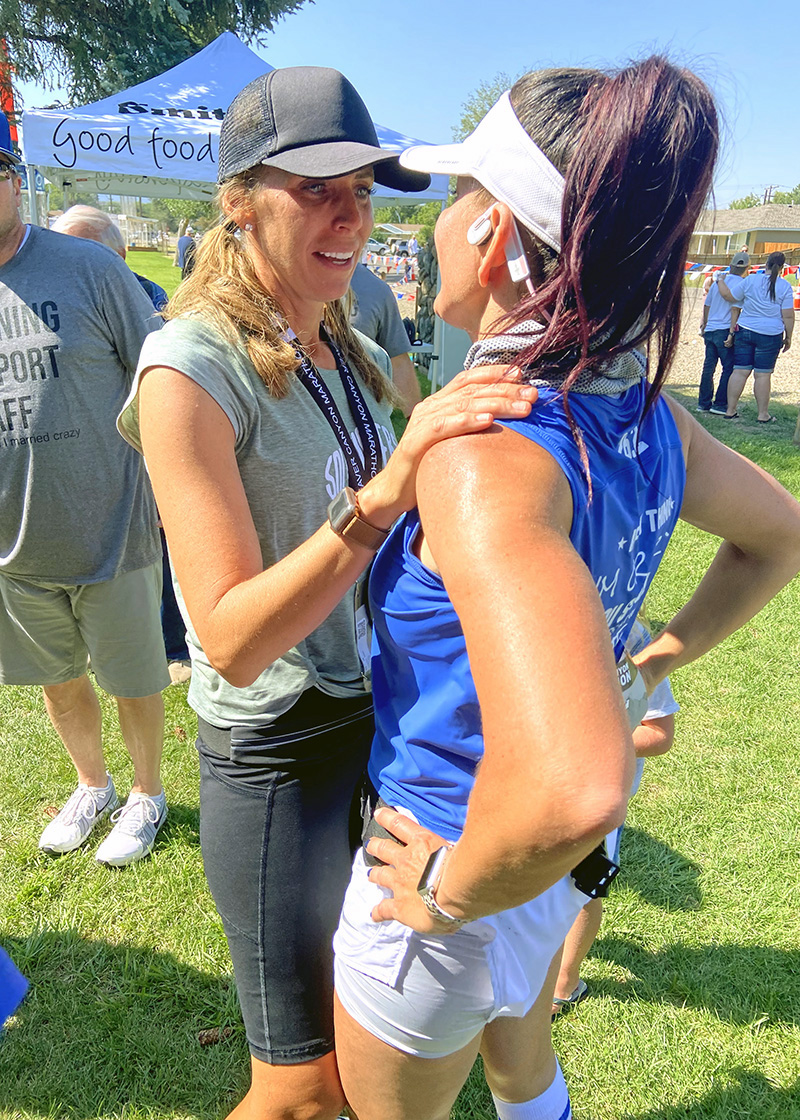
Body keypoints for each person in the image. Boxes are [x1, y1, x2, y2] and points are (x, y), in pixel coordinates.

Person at [330, 59, 800, 1120]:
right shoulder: (643, 417)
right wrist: (651, 661)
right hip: (540, 875)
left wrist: (441, 894)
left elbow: (576, 780)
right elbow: (778, 536)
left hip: (451, 861)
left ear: (492, 233)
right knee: (520, 1062)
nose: (434, 228)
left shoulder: (483, 452)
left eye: (453, 202)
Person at [117, 66, 538, 1120]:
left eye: (363, 187)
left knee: (364, 1062)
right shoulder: (187, 369)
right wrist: (386, 491)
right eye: (317, 189)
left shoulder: (338, 335)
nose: (352, 214)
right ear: (236, 199)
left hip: (371, 728)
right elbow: (228, 637)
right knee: (299, 1088)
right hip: (275, 753)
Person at [0, 116, 169, 868]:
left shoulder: (89, 269)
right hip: (15, 539)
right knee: (58, 678)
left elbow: (159, 377)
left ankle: (146, 794)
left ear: (14, 182)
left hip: (112, 524)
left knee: (134, 678)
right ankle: (91, 784)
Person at [51, 205, 190, 682]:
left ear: (120, 254)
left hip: (135, 460)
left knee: (159, 550)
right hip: (74, 467)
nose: (80, 266)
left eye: (92, 252)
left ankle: (173, 647)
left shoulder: (151, 304)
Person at [551, 618, 678, 1017]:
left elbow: (659, 733)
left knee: (583, 886)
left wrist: (582, 749)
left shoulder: (632, 637)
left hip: (594, 798)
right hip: (531, 790)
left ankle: (564, 984)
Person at [717, 251, 794, 422]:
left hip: (745, 329)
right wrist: (789, 337)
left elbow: (729, 296)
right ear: (782, 267)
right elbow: (788, 315)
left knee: (740, 370)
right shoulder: (784, 286)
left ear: (765, 263)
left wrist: (720, 280)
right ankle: (762, 414)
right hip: (771, 333)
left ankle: (730, 410)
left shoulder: (751, 280)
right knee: (762, 374)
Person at [52, 205, 170, 312]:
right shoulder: (47, 296)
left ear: (120, 256)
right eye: (60, 257)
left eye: (86, 257)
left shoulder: (150, 295)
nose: (71, 268)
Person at [349, 262, 421, 414]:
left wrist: (415, 420)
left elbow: (398, 361)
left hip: (363, 420)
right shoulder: (288, 284)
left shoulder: (376, 289)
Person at [697, 252, 748, 413]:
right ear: (747, 268)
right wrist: (732, 333)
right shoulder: (742, 285)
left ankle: (703, 403)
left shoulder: (716, 283)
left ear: (730, 266)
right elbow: (736, 309)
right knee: (728, 367)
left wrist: (705, 324)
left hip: (711, 328)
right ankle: (720, 403)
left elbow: (707, 305)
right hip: (725, 328)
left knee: (708, 367)